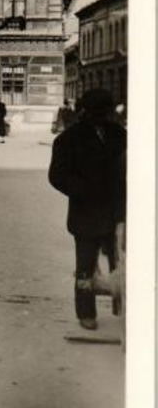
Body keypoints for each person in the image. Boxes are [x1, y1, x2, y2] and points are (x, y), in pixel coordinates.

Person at [48, 88, 126, 331]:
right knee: (85, 267)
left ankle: (121, 306)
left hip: (118, 212)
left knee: (122, 264)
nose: (104, 117)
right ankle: (86, 312)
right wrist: (83, 190)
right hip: (86, 214)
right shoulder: (68, 139)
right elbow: (57, 176)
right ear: (86, 111)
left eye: (106, 112)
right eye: (98, 112)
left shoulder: (119, 134)